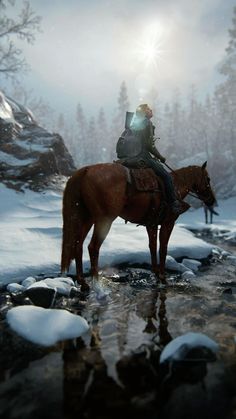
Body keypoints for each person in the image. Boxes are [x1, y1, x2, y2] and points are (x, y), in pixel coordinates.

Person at [117, 104, 189, 215]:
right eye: (149, 109)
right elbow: (149, 145)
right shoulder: (147, 123)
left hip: (127, 158)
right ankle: (173, 204)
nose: (151, 111)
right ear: (145, 112)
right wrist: (160, 157)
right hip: (141, 157)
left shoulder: (132, 124)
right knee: (166, 176)